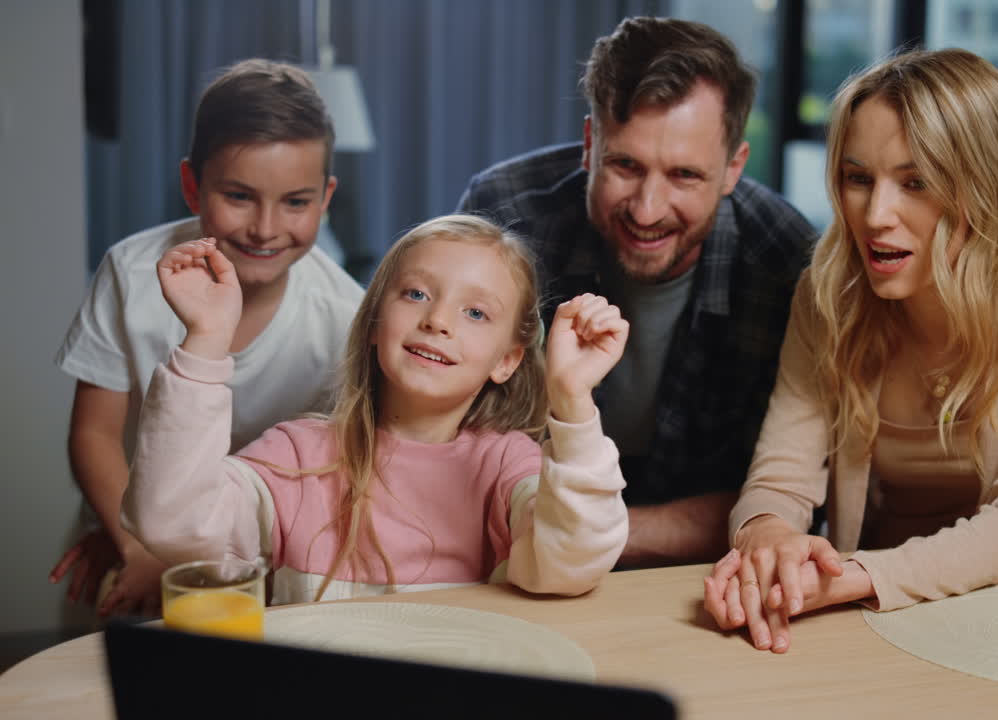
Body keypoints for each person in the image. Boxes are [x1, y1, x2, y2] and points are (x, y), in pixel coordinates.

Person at [703, 48, 998, 652]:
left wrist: (854, 578)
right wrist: (767, 538)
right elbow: (781, 474)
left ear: (984, 187)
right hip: (866, 616)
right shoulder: (830, 286)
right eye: (858, 178)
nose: (876, 215)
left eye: (916, 183)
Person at [457, 17, 817, 567]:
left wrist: (576, 535)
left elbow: (772, 499)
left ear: (733, 169)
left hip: (685, 578)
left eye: (684, 176)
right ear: (589, 144)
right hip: (507, 557)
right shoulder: (505, 212)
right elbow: (441, 431)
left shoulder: (785, 261)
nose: (647, 210)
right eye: (625, 165)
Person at [122, 215, 630, 603]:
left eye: (475, 312)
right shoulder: (294, 456)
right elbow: (173, 524)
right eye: (415, 293)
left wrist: (572, 401)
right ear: (372, 322)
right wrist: (207, 344)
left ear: (507, 360)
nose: (437, 320)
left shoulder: (508, 466)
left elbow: (573, 563)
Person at [51, 59, 365, 616]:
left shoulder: (344, 316)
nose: (265, 228)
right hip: (126, 538)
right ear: (192, 186)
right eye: (240, 196)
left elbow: (333, 474)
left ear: (326, 196)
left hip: (270, 559)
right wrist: (139, 546)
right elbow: (94, 435)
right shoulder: (131, 273)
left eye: (295, 201)